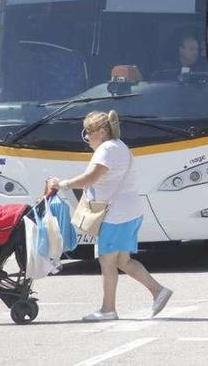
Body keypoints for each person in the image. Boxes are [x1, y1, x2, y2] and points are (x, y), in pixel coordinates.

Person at [49, 110, 172, 321]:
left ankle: (108, 309)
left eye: (89, 132)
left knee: (107, 261)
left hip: (116, 215)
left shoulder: (107, 149)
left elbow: (90, 178)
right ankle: (158, 291)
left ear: (103, 131)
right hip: (128, 212)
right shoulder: (119, 147)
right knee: (123, 261)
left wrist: (62, 184)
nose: (86, 137)